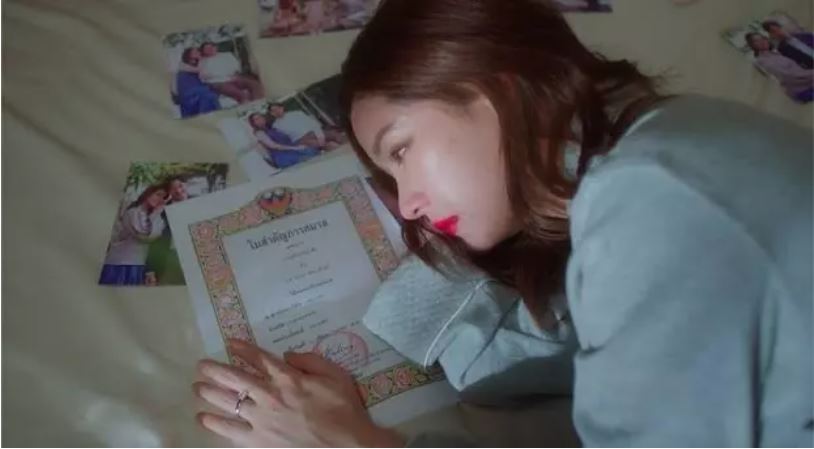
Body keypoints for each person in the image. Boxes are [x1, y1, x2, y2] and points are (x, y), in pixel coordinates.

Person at [191, 0, 812, 447]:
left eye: (401, 149)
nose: (407, 205)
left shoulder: (659, 202)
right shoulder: (665, 137)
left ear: (497, 87)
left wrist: (351, 441)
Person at [100, 183, 168, 285]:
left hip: (138, 264)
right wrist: (156, 214)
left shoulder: (155, 218)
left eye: (163, 198)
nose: (160, 199)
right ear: (148, 193)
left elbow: (155, 235)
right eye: (158, 194)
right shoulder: (133, 212)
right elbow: (143, 235)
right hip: (120, 264)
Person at [746, 32, 814, 103]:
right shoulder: (763, 61)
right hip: (804, 91)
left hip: (808, 84)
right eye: (756, 40)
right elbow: (789, 76)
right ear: (752, 46)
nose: (762, 41)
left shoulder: (774, 54)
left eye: (762, 38)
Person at [248, 112, 321, 169]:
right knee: (308, 156)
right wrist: (295, 148)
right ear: (254, 123)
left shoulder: (272, 128)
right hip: (282, 155)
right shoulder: (259, 133)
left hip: (291, 149)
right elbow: (274, 146)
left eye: (260, 117)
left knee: (312, 151)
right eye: (256, 119)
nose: (260, 119)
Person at [198, 42, 264, 104]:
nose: (210, 49)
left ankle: (259, 103)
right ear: (203, 51)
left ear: (216, 47)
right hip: (218, 82)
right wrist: (224, 74)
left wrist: (234, 75)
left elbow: (236, 67)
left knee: (255, 85)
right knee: (240, 94)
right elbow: (205, 75)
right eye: (207, 49)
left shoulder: (227, 55)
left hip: (234, 77)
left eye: (211, 47)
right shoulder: (203, 61)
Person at [174, 47, 220, 118]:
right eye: (195, 52)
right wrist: (202, 60)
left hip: (197, 88)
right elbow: (198, 70)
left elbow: (205, 75)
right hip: (187, 89)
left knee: (209, 94)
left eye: (198, 52)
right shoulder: (182, 64)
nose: (198, 53)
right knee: (207, 95)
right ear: (188, 54)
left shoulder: (198, 63)